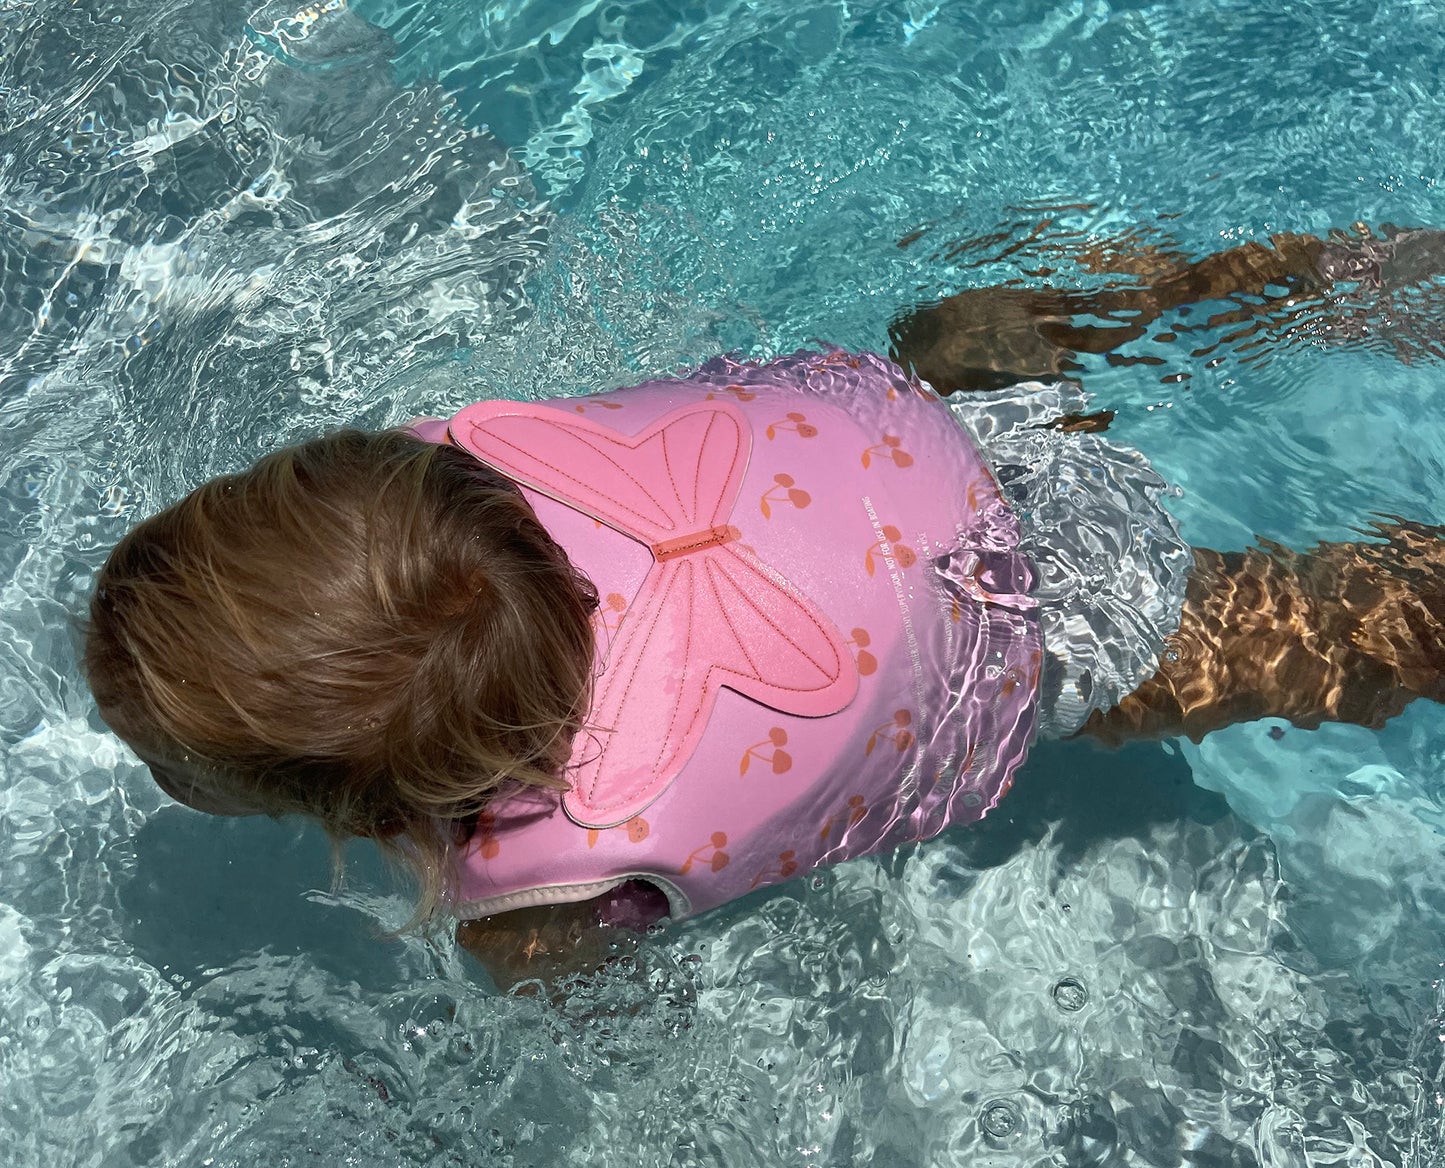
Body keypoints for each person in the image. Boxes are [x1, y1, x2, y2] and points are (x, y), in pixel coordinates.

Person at [83, 225, 1445, 988]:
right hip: (949, 419)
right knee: (992, 311)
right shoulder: (458, 475)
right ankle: (1309, 281)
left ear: (378, 809)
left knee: (1333, 634)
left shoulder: (533, 896)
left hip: (1038, 621)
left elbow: (587, 1004)